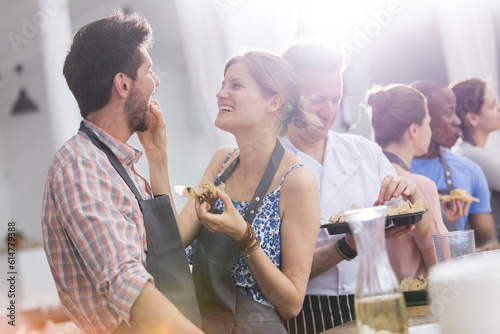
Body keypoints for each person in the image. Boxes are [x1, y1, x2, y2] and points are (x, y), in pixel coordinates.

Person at [41, 10, 202, 334]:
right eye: (149, 71)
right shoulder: (80, 166)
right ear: (124, 84)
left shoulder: (115, 165)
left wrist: (157, 157)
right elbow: (127, 285)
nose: (155, 83)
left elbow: (166, 248)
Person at [140, 51, 322, 333]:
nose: (220, 94)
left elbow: (291, 304)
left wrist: (245, 238)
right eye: (223, 85)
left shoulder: (298, 182)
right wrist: (156, 153)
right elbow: (170, 243)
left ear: (274, 102)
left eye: (235, 85)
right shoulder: (221, 162)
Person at [280, 43, 418, 334]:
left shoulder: (364, 151)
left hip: (373, 298)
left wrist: (407, 192)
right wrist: (349, 244)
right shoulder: (270, 163)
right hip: (302, 311)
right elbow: (276, 270)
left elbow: (405, 211)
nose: (329, 111)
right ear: (287, 96)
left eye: (336, 99)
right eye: (317, 99)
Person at [367, 84, 448, 280]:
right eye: (428, 123)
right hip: (417, 304)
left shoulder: (362, 180)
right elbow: (442, 268)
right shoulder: (418, 185)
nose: (430, 130)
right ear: (413, 129)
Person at [411, 81, 498, 251]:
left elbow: (490, 241)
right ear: (423, 117)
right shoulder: (394, 173)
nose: (458, 121)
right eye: (449, 112)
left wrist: (482, 251)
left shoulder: (470, 170)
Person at [450, 78, 500, 242]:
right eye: (493, 105)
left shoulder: (464, 151)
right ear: (472, 118)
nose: (499, 107)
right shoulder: (472, 155)